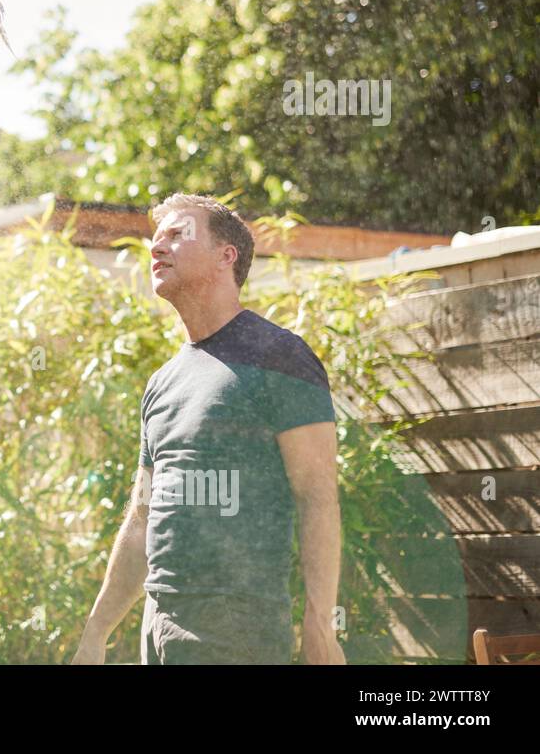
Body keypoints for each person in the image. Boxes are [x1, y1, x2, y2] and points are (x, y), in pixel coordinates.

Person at [72, 193, 346, 665]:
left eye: (177, 235)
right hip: (157, 630)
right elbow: (141, 520)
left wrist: (320, 625)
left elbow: (317, 495)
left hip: (238, 630)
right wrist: (95, 633)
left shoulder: (280, 356)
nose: (157, 248)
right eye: (155, 239)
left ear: (226, 256)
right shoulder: (163, 383)